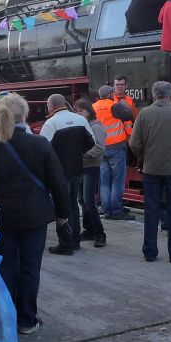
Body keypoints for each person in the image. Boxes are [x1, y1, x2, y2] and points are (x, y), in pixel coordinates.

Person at [0, 93, 69, 334]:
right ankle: (27, 319)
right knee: (30, 268)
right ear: (24, 115)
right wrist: (63, 214)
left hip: (3, 218)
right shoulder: (40, 144)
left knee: (6, 267)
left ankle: (6, 316)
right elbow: (58, 182)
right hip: (34, 217)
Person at [129, 81, 171, 263]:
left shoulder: (144, 114)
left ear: (154, 95)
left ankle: (149, 251)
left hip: (151, 169)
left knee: (151, 210)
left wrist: (144, 157)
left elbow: (134, 143)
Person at [38, 94, 94, 256]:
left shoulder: (51, 123)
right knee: (73, 205)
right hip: (76, 169)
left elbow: (43, 149)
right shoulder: (80, 120)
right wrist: (77, 154)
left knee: (61, 206)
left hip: (59, 172)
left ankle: (65, 243)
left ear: (51, 106)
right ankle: (75, 239)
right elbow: (91, 141)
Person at [93, 85, 134, 220]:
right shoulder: (113, 106)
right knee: (117, 180)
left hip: (101, 147)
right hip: (116, 147)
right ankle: (116, 210)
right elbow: (129, 115)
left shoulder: (94, 107)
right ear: (110, 94)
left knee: (104, 181)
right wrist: (122, 104)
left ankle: (107, 210)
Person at [74, 99, 107, 248]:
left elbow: (99, 147)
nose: (78, 113)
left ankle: (100, 234)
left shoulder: (96, 127)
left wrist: (84, 155)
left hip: (91, 167)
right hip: (81, 167)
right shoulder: (82, 126)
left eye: (81, 111)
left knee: (89, 202)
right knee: (82, 200)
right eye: (77, 111)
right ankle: (89, 229)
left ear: (89, 112)